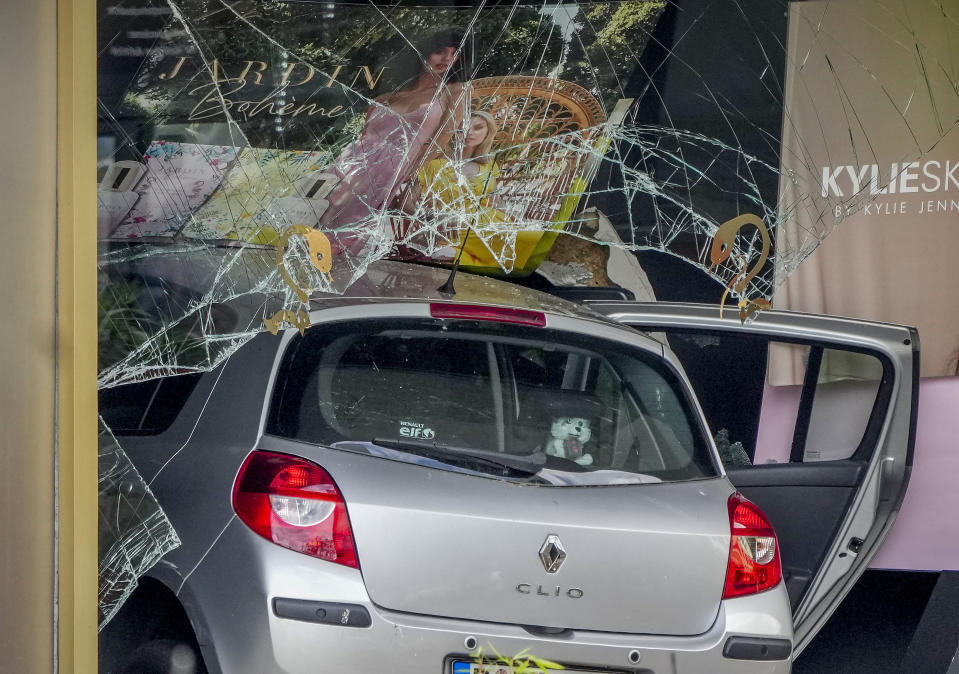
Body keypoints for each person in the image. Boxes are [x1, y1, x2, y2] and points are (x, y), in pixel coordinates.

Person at [319, 28, 469, 255]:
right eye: (440, 52)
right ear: (424, 53)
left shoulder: (454, 91)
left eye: (454, 54)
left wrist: (407, 174)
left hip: (395, 171)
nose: (448, 59)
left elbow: (441, 140)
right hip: (354, 165)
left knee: (346, 237)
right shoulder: (388, 96)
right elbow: (364, 136)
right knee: (322, 217)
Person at [413, 110, 543, 269]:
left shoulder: (489, 166)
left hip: (490, 223)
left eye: (478, 127)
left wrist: (516, 220)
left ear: (487, 132)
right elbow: (408, 203)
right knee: (531, 242)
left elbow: (495, 201)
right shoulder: (434, 164)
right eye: (463, 126)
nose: (469, 132)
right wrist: (437, 218)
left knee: (535, 239)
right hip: (452, 227)